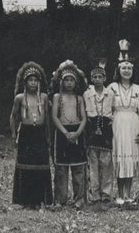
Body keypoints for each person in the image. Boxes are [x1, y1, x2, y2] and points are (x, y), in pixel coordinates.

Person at [10, 61, 53, 207]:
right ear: (25, 82)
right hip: (26, 134)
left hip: (40, 133)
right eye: (30, 80)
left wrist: (48, 136)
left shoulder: (44, 97)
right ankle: (24, 200)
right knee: (25, 165)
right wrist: (14, 135)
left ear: (39, 82)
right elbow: (13, 117)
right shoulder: (20, 98)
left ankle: (40, 199)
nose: (33, 83)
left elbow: (47, 118)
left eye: (35, 80)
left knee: (40, 165)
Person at [108, 41, 139, 204]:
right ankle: (119, 194)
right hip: (117, 123)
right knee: (119, 155)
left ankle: (128, 194)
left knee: (130, 157)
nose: (127, 70)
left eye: (129, 68)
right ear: (118, 70)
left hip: (133, 123)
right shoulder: (112, 87)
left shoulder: (138, 89)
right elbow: (107, 109)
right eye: (124, 68)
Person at [51, 60, 87, 209]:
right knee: (61, 169)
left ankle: (79, 199)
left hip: (77, 131)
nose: (69, 83)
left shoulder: (79, 98)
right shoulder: (57, 98)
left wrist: (78, 132)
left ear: (76, 82)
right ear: (61, 81)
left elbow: (84, 117)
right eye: (66, 80)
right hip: (62, 132)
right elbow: (54, 116)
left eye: (72, 80)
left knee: (78, 168)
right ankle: (61, 199)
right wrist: (65, 132)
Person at [83, 61, 114, 204]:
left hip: (106, 127)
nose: (97, 80)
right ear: (91, 79)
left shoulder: (111, 94)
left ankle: (106, 193)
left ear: (104, 78)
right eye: (94, 77)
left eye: (100, 77)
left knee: (106, 163)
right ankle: (94, 194)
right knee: (93, 162)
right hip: (92, 126)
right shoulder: (87, 94)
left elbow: (114, 111)